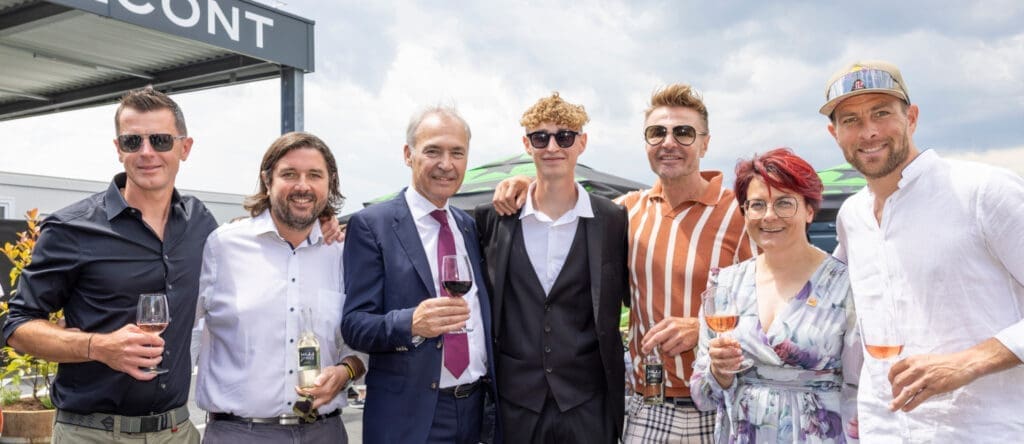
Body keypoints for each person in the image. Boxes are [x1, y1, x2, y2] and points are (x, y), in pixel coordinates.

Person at [493, 84, 756, 442]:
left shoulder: (739, 215)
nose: (669, 142)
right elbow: (565, 201)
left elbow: (771, 308)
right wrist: (527, 183)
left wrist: (702, 329)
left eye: (684, 132)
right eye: (657, 132)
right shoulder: (626, 212)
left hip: (717, 403)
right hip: (646, 405)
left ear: (705, 143)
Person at [821, 60, 1024, 441]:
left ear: (911, 118)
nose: (869, 132)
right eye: (851, 120)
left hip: (984, 430)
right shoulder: (852, 216)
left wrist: (969, 362)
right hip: (884, 430)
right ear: (834, 133)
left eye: (881, 113)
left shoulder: (982, 192)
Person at [2, 87, 214, 442]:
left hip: (177, 432)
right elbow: (17, 327)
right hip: (92, 434)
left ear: (184, 148)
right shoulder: (72, 228)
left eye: (160, 140)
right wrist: (97, 347)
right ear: (118, 150)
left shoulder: (200, 222)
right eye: (133, 142)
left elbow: (256, 238)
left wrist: (327, 227)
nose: (147, 152)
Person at [475, 93, 628, 442]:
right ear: (527, 145)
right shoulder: (492, 219)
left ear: (582, 142)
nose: (552, 146)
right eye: (540, 137)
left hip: (588, 403)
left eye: (565, 136)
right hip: (515, 404)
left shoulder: (613, 219)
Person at [195, 132, 366, 443]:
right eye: (289, 174)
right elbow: (184, 332)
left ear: (330, 183)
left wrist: (345, 372)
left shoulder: (345, 254)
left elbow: (360, 342)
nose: (303, 185)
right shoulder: (223, 246)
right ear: (267, 179)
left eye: (315, 175)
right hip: (239, 433)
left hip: (324, 432)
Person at [341, 106, 499, 444]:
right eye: (433, 151)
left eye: (457, 152)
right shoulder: (373, 226)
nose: (446, 164)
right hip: (411, 418)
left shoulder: (469, 226)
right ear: (408, 154)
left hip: (477, 412)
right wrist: (411, 322)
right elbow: (354, 324)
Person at [690, 148, 860, 443]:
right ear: (744, 212)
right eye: (757, 205)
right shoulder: (726, 285)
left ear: (809, 210)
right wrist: (719, 371)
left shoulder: (846, 285)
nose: (769, 216)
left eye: (784, 203)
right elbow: (702, 396)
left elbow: (861, 387)